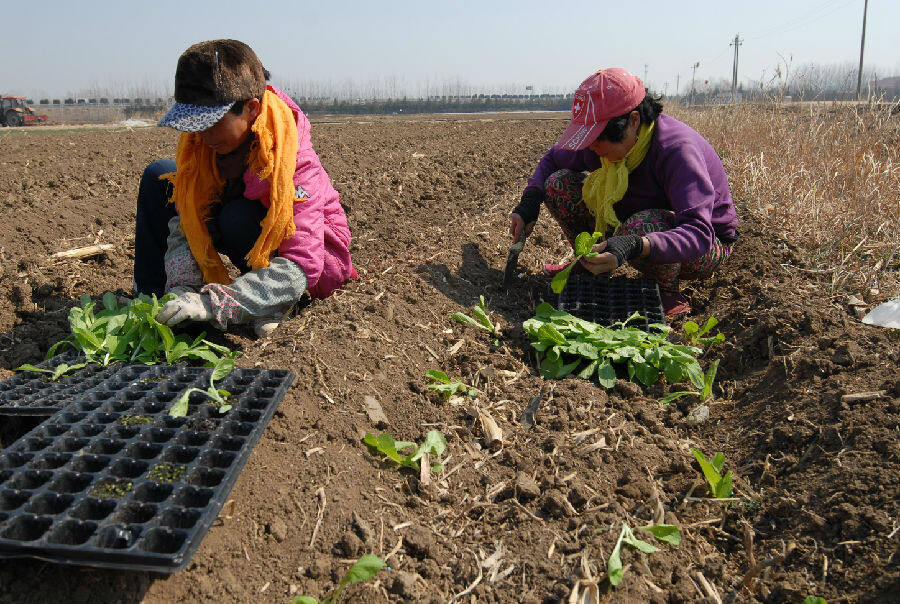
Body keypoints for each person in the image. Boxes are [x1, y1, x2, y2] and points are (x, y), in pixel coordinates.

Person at [133, 39, 356, 337]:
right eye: (195, 124)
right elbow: (186, 222)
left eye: (212, 123)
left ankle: (280, 303)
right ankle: (151, 298)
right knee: (161, 176)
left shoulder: (295, 161)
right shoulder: (201, 147)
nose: (201, 134)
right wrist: (183, 287)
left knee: (236, 216)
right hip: (253, 240)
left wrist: (215, 304)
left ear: (251, 108)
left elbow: (302, 262)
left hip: (314, 266)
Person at [509, 68, 738, 315]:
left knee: (643, 225)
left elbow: (699, 233)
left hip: (705, 245)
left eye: (599, 140)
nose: (592, 148)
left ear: (634, 121)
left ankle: (666, 290)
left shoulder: (676, 150)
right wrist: (530, 201)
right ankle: (588, 264)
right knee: (557, 184)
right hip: (633, 223)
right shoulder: (597, 145)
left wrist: (633, 244)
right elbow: (553, 159)